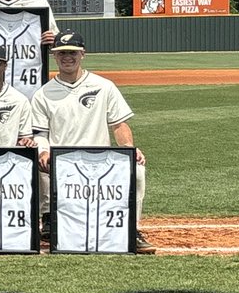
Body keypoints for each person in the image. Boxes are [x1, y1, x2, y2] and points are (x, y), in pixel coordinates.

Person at [30, 31, 153, 252]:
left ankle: (131, 229)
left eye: (72, 52)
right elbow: (40, 133)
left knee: (137, 170)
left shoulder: (104, 86)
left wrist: (128, 148)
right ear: (54, 56)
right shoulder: (43, 94)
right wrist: (44, 152)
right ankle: (49, 218)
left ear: (83, 54)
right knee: (35, 164)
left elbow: (119, 124)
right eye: (62, 53)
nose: (67, 57)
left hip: (100, 161)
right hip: (63, 163)